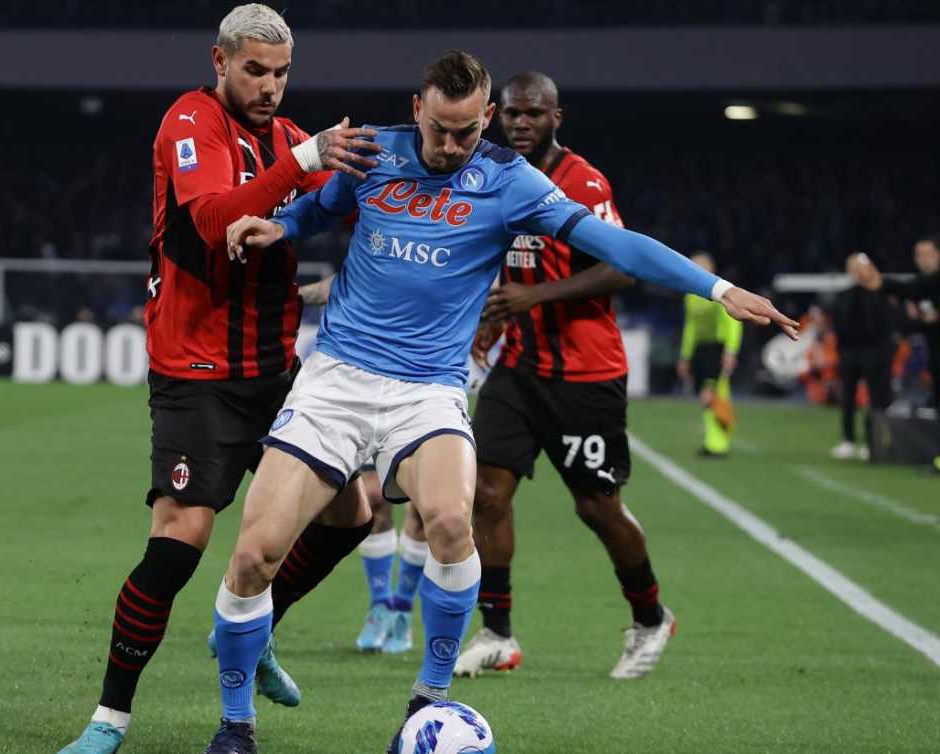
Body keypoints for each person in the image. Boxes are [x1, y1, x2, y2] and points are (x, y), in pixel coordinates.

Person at [204, 50, 797, 754]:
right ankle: (235, 726)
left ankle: (427, 705)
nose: (451, 146)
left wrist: (719, 289)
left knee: (452, 521)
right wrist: (282, 227)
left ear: (485, 117)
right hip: (336, 380)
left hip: (428, 390)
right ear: (417, 108)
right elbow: (319, 208)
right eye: (439, 130)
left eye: (466, 132)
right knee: (255, 555)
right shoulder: (373, 152)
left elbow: (617, 246)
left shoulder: (511, 181)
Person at [55, 6, 384, 753]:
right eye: (254, 70)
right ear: (220, 61)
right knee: (181, 541)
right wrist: (304, 161)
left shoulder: (293, 139)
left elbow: (342, 207)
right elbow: (211, 222)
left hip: (276, 371)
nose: (269, 87)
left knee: (352, 513)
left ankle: (252, 624)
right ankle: (109, 719)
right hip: (196, 371)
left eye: (281, 74)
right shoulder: (191, 122)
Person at [454, 70, 673, 681]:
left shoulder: (584, 181)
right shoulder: (494, 174)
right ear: (497, 116)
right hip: (519, 368)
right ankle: (498, 632)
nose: (521, 123)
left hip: (585, 372)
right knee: (485, 493)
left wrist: (534, 297)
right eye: (512, 114)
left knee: (597, 507)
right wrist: (496, 314)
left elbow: (622, 267)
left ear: (557, 118)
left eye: (534, 114)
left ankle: (651, 617)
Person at [300, 276, 427, 654]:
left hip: (426, 384)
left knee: (426, 508)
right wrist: (291, 294)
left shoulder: (442, 254)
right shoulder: (376, 252)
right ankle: (380, 606)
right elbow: (347, 281)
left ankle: (403, 608)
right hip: (367, 381)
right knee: (373, 497)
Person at [677, 253, 744, 457]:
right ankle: (713, 441)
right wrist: (685, 355)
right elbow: (690, 328)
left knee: (714, 396)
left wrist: (731, 350)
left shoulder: (718, 292)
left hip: (718, 348)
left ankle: (719, 444)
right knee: (707, 397)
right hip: (702, 350)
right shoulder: (690, 296)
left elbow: (732, 323)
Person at [830, 253, 896, 459]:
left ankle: (872, 442)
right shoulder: (845, 296)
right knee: (848, 399)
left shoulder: (881, 294)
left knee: (876, 400)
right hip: (850, 352)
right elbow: (838, 324)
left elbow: (886, 325)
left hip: (875, 352)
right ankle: (848, 440)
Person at [865, 234, 940, 410]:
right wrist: (921, 318)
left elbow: (912, 288)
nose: (923, 259)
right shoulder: (921, 285)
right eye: (919, 255)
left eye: (928, 254)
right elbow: (913, 321)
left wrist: (883, 282)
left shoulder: (925, 284)